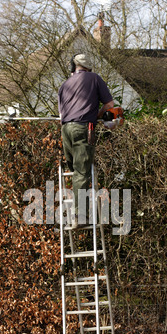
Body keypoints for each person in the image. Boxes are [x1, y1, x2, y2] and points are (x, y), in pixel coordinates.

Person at [58, 53, 114, 228]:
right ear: (88, 67)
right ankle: (79, 216)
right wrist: (96, 116)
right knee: (82, 173)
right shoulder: (94, 78)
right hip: (83, 127)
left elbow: (61, 114)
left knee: (74, 170)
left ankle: (74, 210)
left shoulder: (64, 85)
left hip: (65, 129)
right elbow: (110, 105)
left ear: (73, 66)